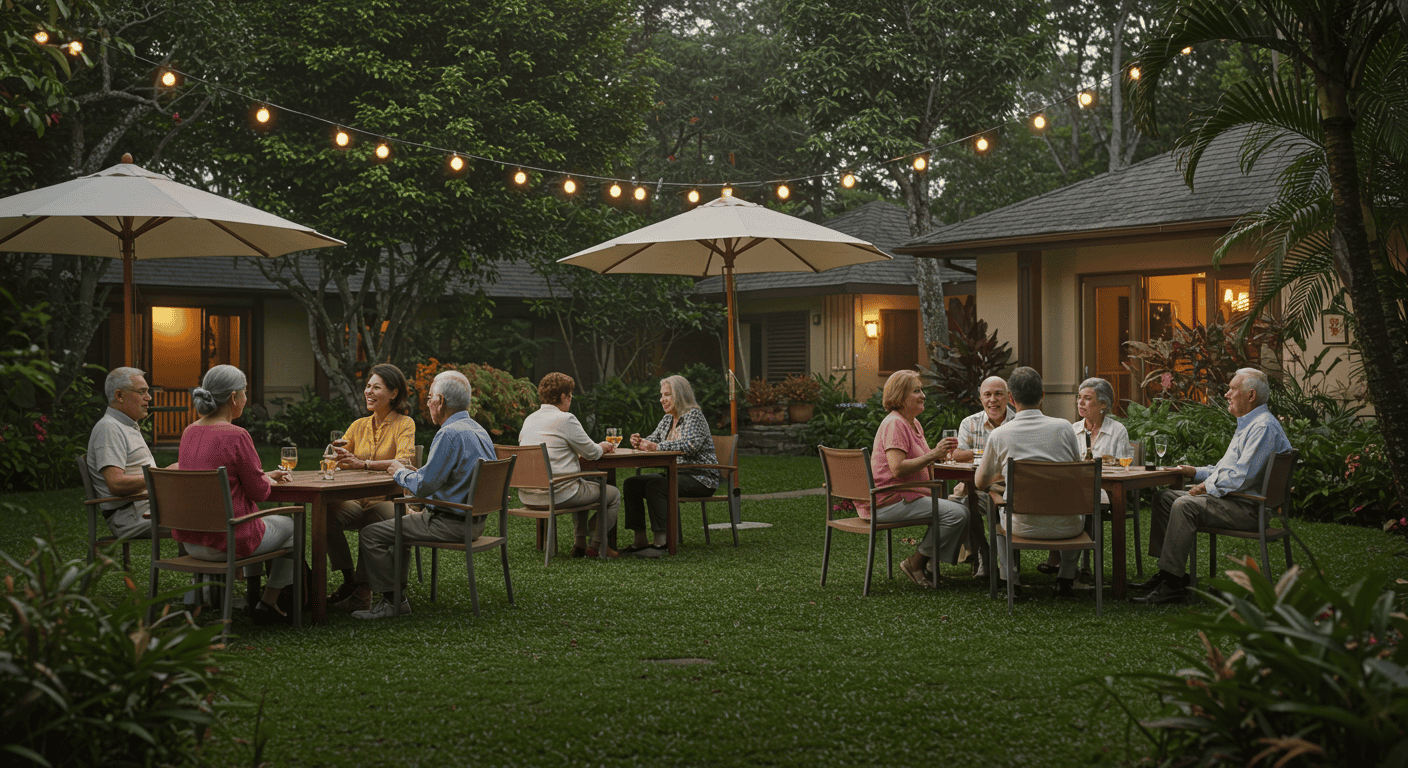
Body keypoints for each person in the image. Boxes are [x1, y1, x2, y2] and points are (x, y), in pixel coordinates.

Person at [1132, 368, 1293, 605]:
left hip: (1248, 508)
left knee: (1184, 505)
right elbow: (1225, 470)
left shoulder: (1262, 427)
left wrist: (1206, 487)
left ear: (1250, 396)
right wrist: (1194, 472)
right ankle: (1168, 574)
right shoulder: (1249, 424)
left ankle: (1173, 584)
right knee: (1164, 497)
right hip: (1234, 500)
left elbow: (1241, 477)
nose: (1227, 394)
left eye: (1232, 389)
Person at [354, 370, 495, 619]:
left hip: (449, 523)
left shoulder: (449, 433)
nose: (427, 403)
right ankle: (391, 595)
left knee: (371, 534)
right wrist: (417, 474)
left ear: (440, 402)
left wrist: (398, 471)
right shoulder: (477, 430)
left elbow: (423, 487)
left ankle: (392, 601)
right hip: (475, 522)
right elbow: (445, 477)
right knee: (396, 525)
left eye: (430, 397)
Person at [176, 365, 296, 626]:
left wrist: (262, 476)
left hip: (193, 541)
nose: (245, 398)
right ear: (233, 398)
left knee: (258, 524)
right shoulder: (237, 435)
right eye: (244, 393)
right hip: (227, 542)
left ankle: (256, 596)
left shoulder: (189, 432)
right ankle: (269, 600)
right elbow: (259, 493)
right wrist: (264, 480)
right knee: (292, 526)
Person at [974, 366, 1084, 597]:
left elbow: (979, 482)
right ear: (1043, 395)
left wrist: (1000, 478)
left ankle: (1010, 582)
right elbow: (1076, 471)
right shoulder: (1065, 428)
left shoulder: (1000, 434)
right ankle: (1065, 578)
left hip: (1020, 526)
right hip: (1069, 526)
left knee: (997, 507)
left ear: (1011, 399)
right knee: (1084, 502)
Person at [865, 370, 970, 588]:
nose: (923, 395)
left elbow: (919, 459)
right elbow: (898, 469)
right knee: (958, 513)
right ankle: (918, 562)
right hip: (890, 500)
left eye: (921, 390)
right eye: (917, 390)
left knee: (958, 508)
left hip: (905, 497)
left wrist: (939, 453)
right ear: (901, 396)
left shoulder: (912, 423)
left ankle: (926, 564)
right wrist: (933, 454)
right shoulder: (895, 424)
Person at [326, 363, 416, 611]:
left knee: (373, 520)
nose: (369, 391)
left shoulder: (405, 424)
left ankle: (362, 593)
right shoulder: (358, 425)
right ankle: (349, 581)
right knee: (327, 513)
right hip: (357, 500)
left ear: (394, 393)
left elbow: (405, 462)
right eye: (367, 386)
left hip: (389, 500)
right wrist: (338, 458)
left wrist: (363, 463)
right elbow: (341, 462)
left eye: (377, 387)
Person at [519, 372, 620, 558]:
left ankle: (579, 544)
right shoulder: (566, 419)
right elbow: (592, 452)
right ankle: (596, 545)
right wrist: (603, 446)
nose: (571, 398)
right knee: (613, 494)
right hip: (557, 494)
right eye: (570, 394)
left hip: (529, 495)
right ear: (564, 396)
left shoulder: (529, 419)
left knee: (580, 482)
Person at [1037, 376, 1131, 575]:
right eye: (1079, 397)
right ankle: (1060, 559)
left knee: (1080, 499)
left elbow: (1125, 465)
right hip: (1076, 489)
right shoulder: (1072, 429)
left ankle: (1060, 561)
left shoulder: (1117, 431)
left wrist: (1107, 462)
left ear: (1103, 404)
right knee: (1061, 496)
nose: (1080, 402)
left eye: (1087, 398)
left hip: (1107, 490)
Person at [622, 375, 718, 558]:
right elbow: (653, 439)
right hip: (675, 474)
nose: (662, 399)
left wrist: (656, 447)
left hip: (700, 477)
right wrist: (640, 442)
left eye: (667, 394)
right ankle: (640, 540)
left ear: (680, 395)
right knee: (631, 483)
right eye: (661, 395)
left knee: (656, 486)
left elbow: (690, 445)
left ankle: (661, 543)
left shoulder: (693, 415)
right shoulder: (668, 419)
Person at [946, 375, 1016, 577]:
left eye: (998, 394)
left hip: (1009, 490)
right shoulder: (970, 423)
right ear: (980, 398)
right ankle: (983, 554)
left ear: (1009, 397)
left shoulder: (1018, 422)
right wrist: (989, 451)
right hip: (975, 487)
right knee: (964, 503)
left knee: (979, 501)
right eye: (987, 394)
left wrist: (976, 453)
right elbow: (957, 455)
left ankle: (998, 562)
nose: (992, 399)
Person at [86, 367, 158, 539]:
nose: (149, 398)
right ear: (119, 396)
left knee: (204, 507)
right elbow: (116, 484)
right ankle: (201, 563)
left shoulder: (125, 425)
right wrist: (161, 476)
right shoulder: (109, 428)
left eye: (148, 392)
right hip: (131, 516)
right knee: (196, 516)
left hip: (146, 508)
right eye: (142, 392)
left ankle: (197, 563)